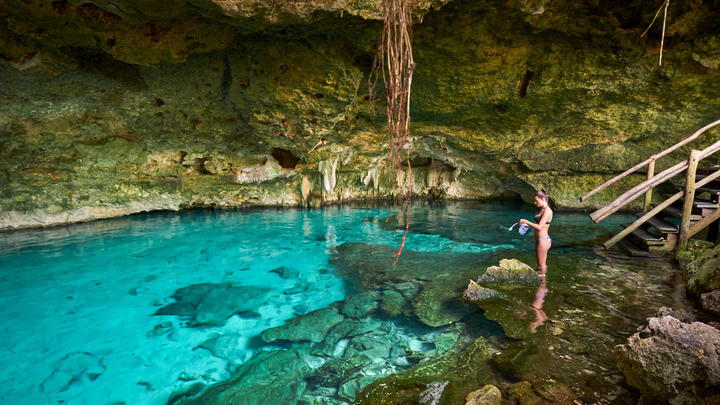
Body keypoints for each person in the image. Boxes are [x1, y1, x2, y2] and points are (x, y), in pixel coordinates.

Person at [519, 189, 553, 276]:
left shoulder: (547, 211)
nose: (534, 203)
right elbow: (538, 225)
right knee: (540, 266)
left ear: (543, 200)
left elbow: (539, 227)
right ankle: (542, 285)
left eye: (536, 201)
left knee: (541, 266)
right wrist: (525, 225)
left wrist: (526, 221)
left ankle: (542, 285)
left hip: (543, 240)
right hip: (540, 240)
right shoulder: (542, 209)